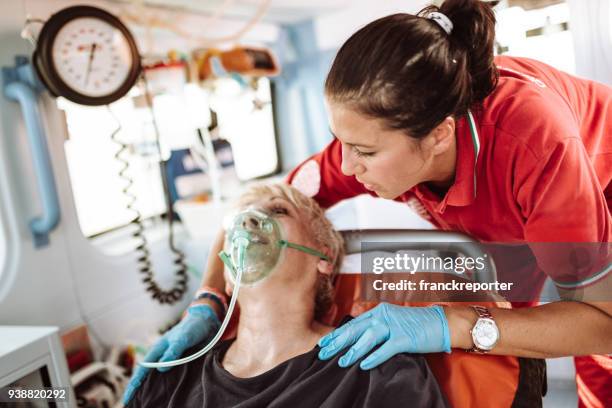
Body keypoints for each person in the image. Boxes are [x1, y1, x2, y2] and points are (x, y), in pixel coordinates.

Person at [125, 0, 612, 406]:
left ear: (439, 135)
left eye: (365, 152)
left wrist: (450, 324)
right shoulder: (370, 145)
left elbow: (602, 325)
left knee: (601, 368)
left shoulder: (540, 146)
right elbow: (253, 212)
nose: (347, 166)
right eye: (342, 142)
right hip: (509, 217)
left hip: (592, 199)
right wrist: (208, 301)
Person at [125, 183, 448, 407]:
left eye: (278, 211)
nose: (249, 222)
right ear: (225, 275)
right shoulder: (173, 371)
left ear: (323, 257)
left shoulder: (374, 365)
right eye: (243, 218)